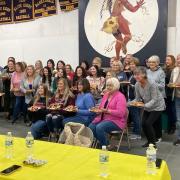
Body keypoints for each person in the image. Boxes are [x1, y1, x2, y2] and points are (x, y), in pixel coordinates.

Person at [89, 77, 127, 147]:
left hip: (116, 121)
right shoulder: (106, 95)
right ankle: (105, 143)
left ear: (116, 86)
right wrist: (97, 110)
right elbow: (101, 107)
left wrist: (108, 111)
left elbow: (121, 113)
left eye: (110, 85)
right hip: (104, 118)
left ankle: (105, 145)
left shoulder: (120, 97)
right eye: (107, 85)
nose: (108, 87)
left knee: (99, 127)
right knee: (91, 127)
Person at [133, 67, 165, 147]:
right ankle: (149, 142)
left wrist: (144, 105)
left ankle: (153, 144)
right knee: (143, 124)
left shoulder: (152, 83)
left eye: (138, 74)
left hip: (158, 106)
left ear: (144, 74)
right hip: (147, 106)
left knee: (148, 123)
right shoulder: (137, 84)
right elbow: (137, 98)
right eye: (135, 75)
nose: (136, 76)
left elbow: (155, 99)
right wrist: (129, 103)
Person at [147, 55, 166, 143]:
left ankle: (158, 136)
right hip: (149, 98)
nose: (151, 63)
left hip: (158, 98)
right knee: (150, 118)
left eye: (153, 62)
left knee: (157, 119)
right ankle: (152, 136)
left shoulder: (161, 72)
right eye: (150, 62)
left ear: (157, 63)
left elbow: (162, 86)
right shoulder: (147, 71)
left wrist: (152, 84)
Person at [128, 57, 141, 140]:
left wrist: (131, 85)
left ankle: (137, 133)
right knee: (134, 115)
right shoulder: (132, 74)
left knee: (136, 115)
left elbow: (139, 87)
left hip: (136, 98)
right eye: (130, 64)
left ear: (136, 65)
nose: (131, 65)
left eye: (133, 64)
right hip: (131, 97)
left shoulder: (138, 74)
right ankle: (135, 132)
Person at [163, 55, 176, 134]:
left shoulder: (174, 70)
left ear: (172, 61)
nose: (166, 61)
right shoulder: (164, 69)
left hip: (171, 93)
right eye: (166, 59)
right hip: (164, 93)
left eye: (168, 60)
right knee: (166, 111)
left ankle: (172, 127)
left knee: (171, 111)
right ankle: (167, 126)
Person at [169, 54, 180, 145]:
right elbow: (171, 82)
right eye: (177, 59)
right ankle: (179, 138)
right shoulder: (175, 70)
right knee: (178, 120)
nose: (178, 60)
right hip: (176, 97)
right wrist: (170, 85)